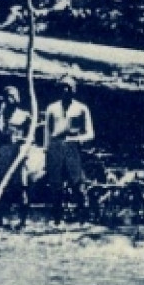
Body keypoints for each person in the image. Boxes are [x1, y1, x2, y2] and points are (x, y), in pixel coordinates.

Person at [44, 74, 95, 224]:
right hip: (55, 147)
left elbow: (90, 133)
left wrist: (77, 139)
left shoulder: (81, 108)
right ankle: (57, 220)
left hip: (73, 147)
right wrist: (46, 150)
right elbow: (47, 131)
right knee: (56, 186)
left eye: (69, 87)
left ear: (74, 90)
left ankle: (83, 218)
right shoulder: (51, 108)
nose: (65, 90)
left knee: (77, 184)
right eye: (62, 87)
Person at [0, 85, 32, 227]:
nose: (10, 99)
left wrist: (21, 142)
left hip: (18, 154)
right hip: (3, 154)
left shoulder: (25, 116)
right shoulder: (0, 115)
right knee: (0, 187)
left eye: (13, 96)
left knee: (21, 187)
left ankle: (23, 221)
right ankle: (0, 220)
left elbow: (31, 137)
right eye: (8, 96)